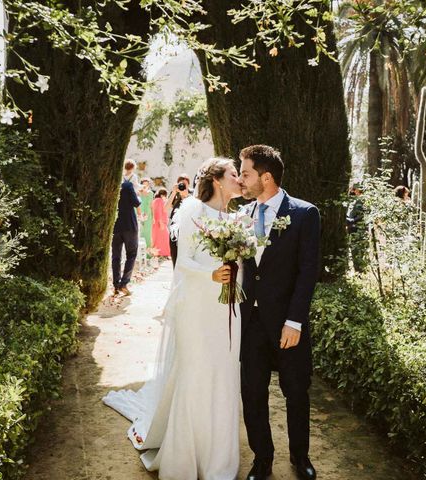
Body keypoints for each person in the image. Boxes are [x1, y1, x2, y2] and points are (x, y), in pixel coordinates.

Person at [103, 157, 244, 480]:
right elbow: (184, 265)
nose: (239, 178)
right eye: (233, 173)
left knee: (223, 377)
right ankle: (186, 456)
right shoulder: (194, 210)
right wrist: (212, 273)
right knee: (196, 375)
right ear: (218, 181)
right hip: (197, 308)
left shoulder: (237, 218)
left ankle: (217, 459)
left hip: (227, 309)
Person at [238, 145, 320, 480]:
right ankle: (263, 458)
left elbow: (308, 272)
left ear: (266, 177)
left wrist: (294, 321)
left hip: (288, 324)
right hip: (251, 324)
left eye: (245, 173)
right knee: (252, 393)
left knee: (296, 392)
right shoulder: (241, 217)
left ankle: (301, 458)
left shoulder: (304, 214)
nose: (241, 180)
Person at [112, 163, 142, 296]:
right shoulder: (128, 186)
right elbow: (136, 203)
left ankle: (116, 284)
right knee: (131, 254)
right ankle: (124, 283)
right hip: (129, 225)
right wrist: (139, 195)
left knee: (116, 256)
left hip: (116, 225)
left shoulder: (113, 185)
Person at [165, 174, 192, 267]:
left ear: (188, 185)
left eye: (185, 184)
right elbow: (165, 209)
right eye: (181, 184)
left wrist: (186, 195)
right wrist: (173, 192)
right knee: (174, 253)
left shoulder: (192, 194)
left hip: (187, 228)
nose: (183, 186)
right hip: (174, 229)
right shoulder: (175, 195)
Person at [346, 184, 367, 274]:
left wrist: (352, 221)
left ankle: (359, 271)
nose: (353, 190)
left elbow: (362, 215)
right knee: (355, 250)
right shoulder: (355, 200)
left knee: (358, 250)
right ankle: (358, 271)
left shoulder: (361, 200)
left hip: (358, 229)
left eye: (355, 188)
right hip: (354, 228)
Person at [151, 188, 171, 258]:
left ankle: (160, 254)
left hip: (157, 223)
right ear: (162, 195)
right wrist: (161, 222)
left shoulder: (155, 200)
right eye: (166, 196)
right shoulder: (159, 201)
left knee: (159, 239)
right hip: (160, 223)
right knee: (164, 239)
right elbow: (158, 212)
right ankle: (163, 254)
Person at [139, 178, 154, 250]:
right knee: (139, 233)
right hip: (139, 215)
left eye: (147, 185)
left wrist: (152, 217)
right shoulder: (138, 193)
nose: (145, 186)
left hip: (148, 216)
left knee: (147, 234)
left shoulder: (150, 193)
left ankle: (147, 253)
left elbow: (151, 206)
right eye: (144, 185)